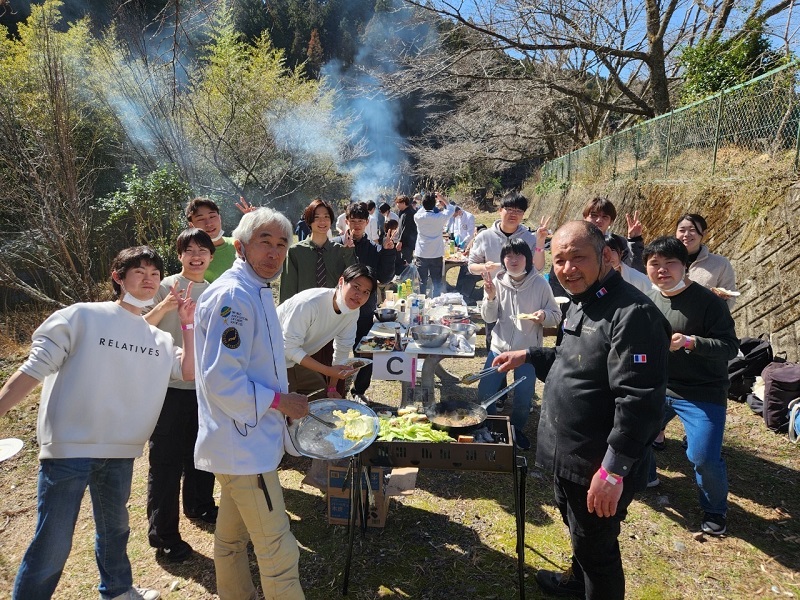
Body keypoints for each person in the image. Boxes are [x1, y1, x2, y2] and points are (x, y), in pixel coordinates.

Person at [0, 246, 195, 600]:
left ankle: (118, 590)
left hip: (120, 452)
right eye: (139, 271)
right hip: (69, 449)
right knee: (54, 541)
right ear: (118, 278)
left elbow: (188, 371)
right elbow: (33, 369)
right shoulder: (82, 317)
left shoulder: (158, 338)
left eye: (155, 273)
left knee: (115, 528)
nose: (149, 279)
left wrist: (187, 324)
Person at [492, 221, 670, 600]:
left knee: (597, 550)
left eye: (578, 258)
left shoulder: (632, 314)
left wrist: (613, 470)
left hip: (597, 462)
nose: (568, 268)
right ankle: (576, 583)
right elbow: (573, 358)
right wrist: (530, 355)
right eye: (559, 260)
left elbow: (640, 400)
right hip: (567, 456)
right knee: (575, 526)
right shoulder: (583, 301)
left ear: (605, 256)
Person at [194, 207, 307, 600]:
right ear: (240, 246)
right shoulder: (234, 296)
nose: (274, 253)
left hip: (241, 442)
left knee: (230, 540)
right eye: (265, 243)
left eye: (281, 245)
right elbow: (221, 378)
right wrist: (281, 401)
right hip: (242, 444)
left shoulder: (256, 289)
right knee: (278, 549)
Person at [644, 236, 738, 535]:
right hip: (660, 385)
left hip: (702, 391)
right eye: (654, 264)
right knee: (635, 433)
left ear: (685, 266)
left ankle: (715, 511)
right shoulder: (650, 299)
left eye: (670, 263)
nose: (662, 270)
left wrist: (690, 342)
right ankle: (646, 477)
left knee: (702, 457)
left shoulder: (709, 302)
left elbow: (729, 347)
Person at [143, 229, 218, 564]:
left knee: (203, 453)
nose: (196, 256)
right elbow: (139, 328)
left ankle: (200, 506)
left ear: (211, 257)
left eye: (203, 250)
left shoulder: (216, 292)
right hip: (168, 388)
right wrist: (164, 304)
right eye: (189, 250)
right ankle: (164, 537)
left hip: (204, 388)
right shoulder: (163, 286)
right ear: (180, 255)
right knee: (166, 463)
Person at [479, 239, 560, 450]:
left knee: (523, 399)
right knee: (485, 392)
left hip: (526, 352)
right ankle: (489, 427)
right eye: (508, 256)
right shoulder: (496, 282)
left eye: (518, 255)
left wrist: (543, 316)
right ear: (503, 260)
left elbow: (556, 315)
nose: (513, 260)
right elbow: (488, 318)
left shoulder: (540, 284)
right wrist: (490, 297)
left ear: (528, 259)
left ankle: (516, 430)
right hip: (499, 347)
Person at [277, 263, 376, 396]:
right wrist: (328, 371)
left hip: (297, 358)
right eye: (356, 287)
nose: (359, 295)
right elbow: (288, 347)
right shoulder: (309, 303)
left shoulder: (352, 311)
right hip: (272, 359)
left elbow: (342, 348)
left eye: (366, 292)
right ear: (341, 282)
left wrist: (332, 388)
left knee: (322, 394)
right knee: (290, 407)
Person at [332, 204, 398, 404]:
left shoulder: (375, 248)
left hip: (364, 310)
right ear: (346, 221)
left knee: (365, 351)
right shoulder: (336, 245)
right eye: (353, 220)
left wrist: (388, 252)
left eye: (361, 221)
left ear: (367, 222)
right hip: (337, 309)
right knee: (335, 351)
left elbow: (385, 277)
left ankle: (359, 390)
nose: (357, 225)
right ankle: (333, 388)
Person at [280, 198, 354, 303]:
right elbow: (287, 290)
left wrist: (349, 252)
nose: (322, 221)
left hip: (333, 313)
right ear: (309, 220)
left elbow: (353, 282)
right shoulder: (296, 252)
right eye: (317, 217)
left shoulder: (340, 251)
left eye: (326, 217)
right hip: (304, 312)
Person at [675, 213, 737, 309]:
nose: (686, 235)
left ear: (704, 233)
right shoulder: (665, 264)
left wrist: (719, 299)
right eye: (682, 230)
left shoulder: (720, 263)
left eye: (692, 230)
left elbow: (731, 299)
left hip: (706, 321)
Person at [413, 191, 455, 297]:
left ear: (423, 204)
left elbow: (422, 209)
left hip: (422, 253)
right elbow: (451, 209)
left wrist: (426, 202)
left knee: (422, 281)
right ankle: (435, 302)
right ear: (434, 204)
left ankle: (421, 301)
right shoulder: (440, 217)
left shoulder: (418, 218)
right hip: (436, 253)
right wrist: (441, 198)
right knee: (437, 282)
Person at [185, 197, 236, 282]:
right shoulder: (194, 258)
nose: (209, 224)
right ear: (191, 225)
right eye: (201, 219)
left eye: (212, 216)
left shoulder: (240, 244)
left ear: (220, 218)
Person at [394, 194, 418, 266]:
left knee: (406, 261)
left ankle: (408, 275)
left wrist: (400, 241)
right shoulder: (403, 212)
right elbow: (401, 226)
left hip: (408, 242)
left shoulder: (409, 213)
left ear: (403, 203)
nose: (397, 205)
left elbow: (406, 229)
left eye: (398, 203)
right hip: (405, 241)